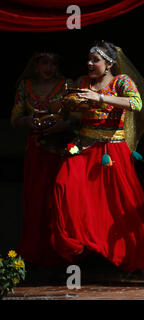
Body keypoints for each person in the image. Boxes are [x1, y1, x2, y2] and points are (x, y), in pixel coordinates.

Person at [49, 41, 144, 284]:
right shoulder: (81, 82)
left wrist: (99, 97)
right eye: (89, 59)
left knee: (122, 206)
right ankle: (76, 246)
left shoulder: (121, 81)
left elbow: (136, 104)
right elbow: (72, 115)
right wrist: (59, 113)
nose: (90, 64)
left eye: (96, 60)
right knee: (64, 186)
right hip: (83, 148)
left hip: (112, 153)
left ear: (110, 63)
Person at [11, 50, 72, 272]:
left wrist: (63, 126)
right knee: (35, 201)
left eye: (54, 64)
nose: (49, 68)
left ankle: (60, 257)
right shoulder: (25, 86)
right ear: (36, 65)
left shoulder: (66, 85)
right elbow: (14, 119)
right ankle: (35, 258)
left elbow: (75, 116)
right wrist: (27, 120)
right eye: (45, 63)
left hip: (59, 150)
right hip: (36, 151)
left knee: (58, 202)